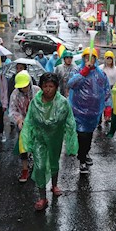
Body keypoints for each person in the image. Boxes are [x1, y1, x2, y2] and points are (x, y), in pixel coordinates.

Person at [21, 72, 78, 211]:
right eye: (45, 86)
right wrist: (26, 140)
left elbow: (70, 123)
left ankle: (54, 185)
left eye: (51, 86)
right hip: (39, 138)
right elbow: (29, 121)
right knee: (39, 166)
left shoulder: (63, 103)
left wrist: (71, 144)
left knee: (54, 162)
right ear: (41, 87)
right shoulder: (36, 102)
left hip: (55, 138)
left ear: (56, 87)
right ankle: (42, 197)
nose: (48, 89)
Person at [67, 47, 110, 173]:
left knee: (89, 135)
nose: (88, 60)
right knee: (82, 135)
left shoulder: (101, 74)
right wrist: (84, 72)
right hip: (79, 111)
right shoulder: (77, 70)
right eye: (86, 57)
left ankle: (85, 153)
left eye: (91, 57)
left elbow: (106, 90)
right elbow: (71, 84)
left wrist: (108, 107)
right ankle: (82, 160)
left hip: (94, 112)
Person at [9, 70, 41, 182]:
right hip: (23, 125)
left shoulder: (37, 91)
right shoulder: (15, 94)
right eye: (21, 87)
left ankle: (37, 167)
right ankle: (25, 169)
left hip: (36, 124)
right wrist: (19, 120)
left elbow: (44, 106)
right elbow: (12, 110)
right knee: (23, 148)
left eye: (26, 86)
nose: (24, 89)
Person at [99, 51, 116, 123]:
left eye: (110, 58)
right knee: (100, 104)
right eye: (108, 58)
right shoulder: (101, 68)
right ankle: (99, 119)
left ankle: (107, 117)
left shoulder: (115, 69)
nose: (109, 60)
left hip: (111, 89)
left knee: (109, 105)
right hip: (102, 89)